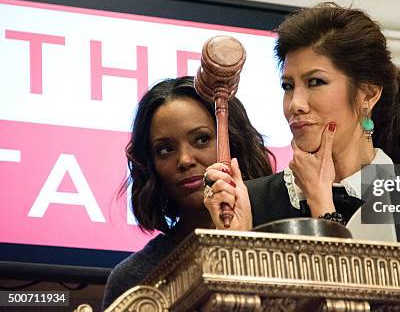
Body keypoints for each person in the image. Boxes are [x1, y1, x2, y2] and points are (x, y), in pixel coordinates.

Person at [203, 2, 400, 231]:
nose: (296, 104)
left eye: (315, 82)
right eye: (288, 86)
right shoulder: (252, 200)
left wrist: (321, 202)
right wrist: (235, 240)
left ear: (368, 94)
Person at [101, 76, 273, 309]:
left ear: (235, 142)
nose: (184, 160)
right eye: (165, 150)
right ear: (150, 165)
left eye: (202, 139)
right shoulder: (133, 280)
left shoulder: (286, 237)